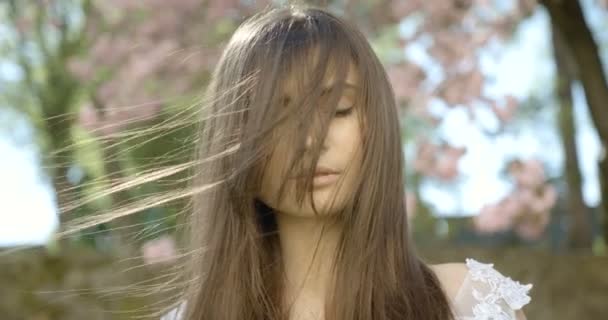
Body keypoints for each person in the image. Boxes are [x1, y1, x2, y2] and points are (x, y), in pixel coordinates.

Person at [161, 4, 532, 320]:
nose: (310, 140)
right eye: (277, 117)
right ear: (234, 141)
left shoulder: (469, 303)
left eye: (338, 110)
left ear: (376, 123)